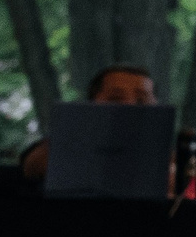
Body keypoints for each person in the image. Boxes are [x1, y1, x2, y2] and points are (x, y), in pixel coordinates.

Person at [19, 63, 157, 181]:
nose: (129, 106)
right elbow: (36, 165)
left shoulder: (167, 156)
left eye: (141, 100)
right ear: (92, 103)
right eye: (115, 98)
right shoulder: (60, 145)